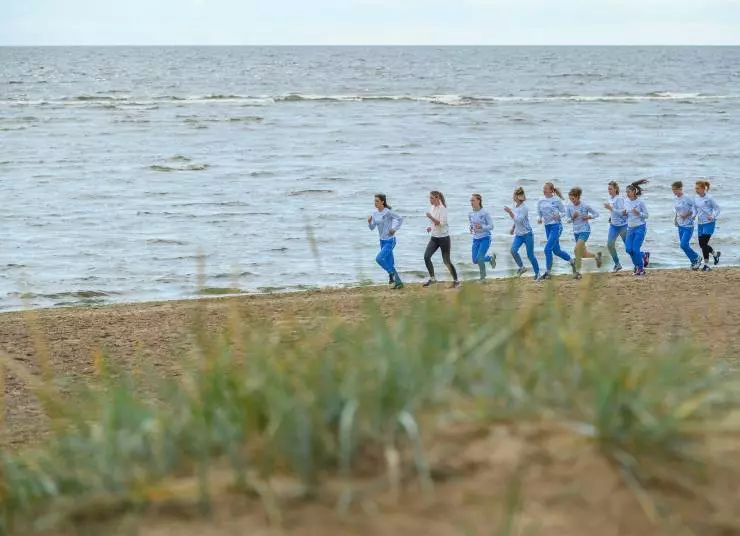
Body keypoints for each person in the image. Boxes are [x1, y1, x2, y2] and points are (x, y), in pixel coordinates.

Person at [536, 181, 576, 280]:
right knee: (556, 251)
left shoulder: (556, 200)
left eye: (546, 188)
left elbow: (564, 212)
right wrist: (539, 218)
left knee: (547, 249)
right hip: (547, 227)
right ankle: (572, 261)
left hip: (556, 226)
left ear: (551, 190)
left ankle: (548, 273)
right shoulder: (540, 200)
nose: (544, 190)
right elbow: (538, 213)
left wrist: (558, 216)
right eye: (543, 188)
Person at [423, 190, 460, 288]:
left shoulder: (443, 209)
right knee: (426, 257)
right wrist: (430, 227)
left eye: (431, 198)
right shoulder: (432, 207)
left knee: (446, 261)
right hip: (434, 238)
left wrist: (431, 217)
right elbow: (434, 223)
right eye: (429, 198)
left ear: (437, 198)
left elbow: (441, 223)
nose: (430, 200)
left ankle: (456, 281)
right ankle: (433, 279)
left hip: (444, 239)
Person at [367, 193, 404, 289]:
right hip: (382, 241)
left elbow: (400, 218)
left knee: (379, 258)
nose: (375, 203)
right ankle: (399, 283)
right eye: (375, 201)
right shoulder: (375, 214)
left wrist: (394, 229)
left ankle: (391, 273)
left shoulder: (388, 212)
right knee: (390, 263)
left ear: (382, 202)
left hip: (390, 240)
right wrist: (369, 222)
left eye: (377, 201)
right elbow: (372, 228)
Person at [566, 187, 602, 279]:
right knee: (584, 254)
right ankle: (597, 257)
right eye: (570, 199)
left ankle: (577, 272)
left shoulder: (585, 205)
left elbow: (596, 214)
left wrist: (588, 217)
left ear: (578, 197)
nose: (572, 201)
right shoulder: (569, 207)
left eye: (573, 199)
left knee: (576, 249)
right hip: (576, 232)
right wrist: (573, 217)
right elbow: (567, 220)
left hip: (585, 230)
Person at [504, 186, 540, 279]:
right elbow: (516, 220)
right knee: (513, 250)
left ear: (518, 196)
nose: (513, 197)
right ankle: (521, 267)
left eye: (514, 195)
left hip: (527, 234)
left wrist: (510, 212)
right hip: (519, 235)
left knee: (530, 255)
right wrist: (513, 228)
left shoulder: (524, 208)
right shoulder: (515, 206)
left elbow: (519, 220)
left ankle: (537, 274)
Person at [671, 181, 701, 270]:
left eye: (675, 189)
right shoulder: (676, 199)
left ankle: (697, 257)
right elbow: (677, 211)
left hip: (688, 225)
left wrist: (688, 214)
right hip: (680, 225)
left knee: (683, 245)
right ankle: (694, 262)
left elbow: (695, 208)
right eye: (672, 190)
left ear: (680, 189)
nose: (673, 191)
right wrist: (675, 219)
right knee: (684, 246)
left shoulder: (687, 198)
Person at [624, 179, 650, 277]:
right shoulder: (626, 201)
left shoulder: (640, 202)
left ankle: (640, 268)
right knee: (628, 249)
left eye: (629, 192)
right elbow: (626, 215)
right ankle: (643, 255)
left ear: (634, 192)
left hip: (640, 228)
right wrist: (623, 214)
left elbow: (646, 215)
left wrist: (638, 213)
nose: (627, 194)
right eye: (626, 192)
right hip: (630, 228)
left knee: (635, 250)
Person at [694, 179, 721, 272]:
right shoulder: (696, 198)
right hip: (700, 224)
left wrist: (713, 216)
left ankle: (706, 265)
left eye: (698, 188)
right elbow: (695, 209)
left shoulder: (709, 198)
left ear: (703, 189)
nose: (696, 190)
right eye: (695, 188)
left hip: (709, 223)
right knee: (702, 244)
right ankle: (715, 254)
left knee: (704, 243)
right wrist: (693, 216)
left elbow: (718, 209)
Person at [468, 193, 497, 281]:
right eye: (471, 200)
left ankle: (483, 278)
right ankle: (490, 258)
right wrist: (471, 228)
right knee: (475, 260)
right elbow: (471, 224)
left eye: (473, 200)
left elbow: (491, 226)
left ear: (478, 201)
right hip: (476, 239)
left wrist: (482, 227)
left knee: (480, 257)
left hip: (485, 238)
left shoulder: (485, 212)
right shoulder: (470, 214)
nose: (471, 202)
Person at [603, 181, 628, 273]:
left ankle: (643, 256)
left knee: (628, 247)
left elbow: (623, 214)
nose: (609, 191)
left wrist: (610, 208)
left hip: (623, 226)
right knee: (610, 245)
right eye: (608, 189)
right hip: (613, 226)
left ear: (616, 189)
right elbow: (614, 212)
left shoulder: (619, 199)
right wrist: (611, 217)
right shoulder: (610, 198)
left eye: (611, 189)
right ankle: (617, 264)